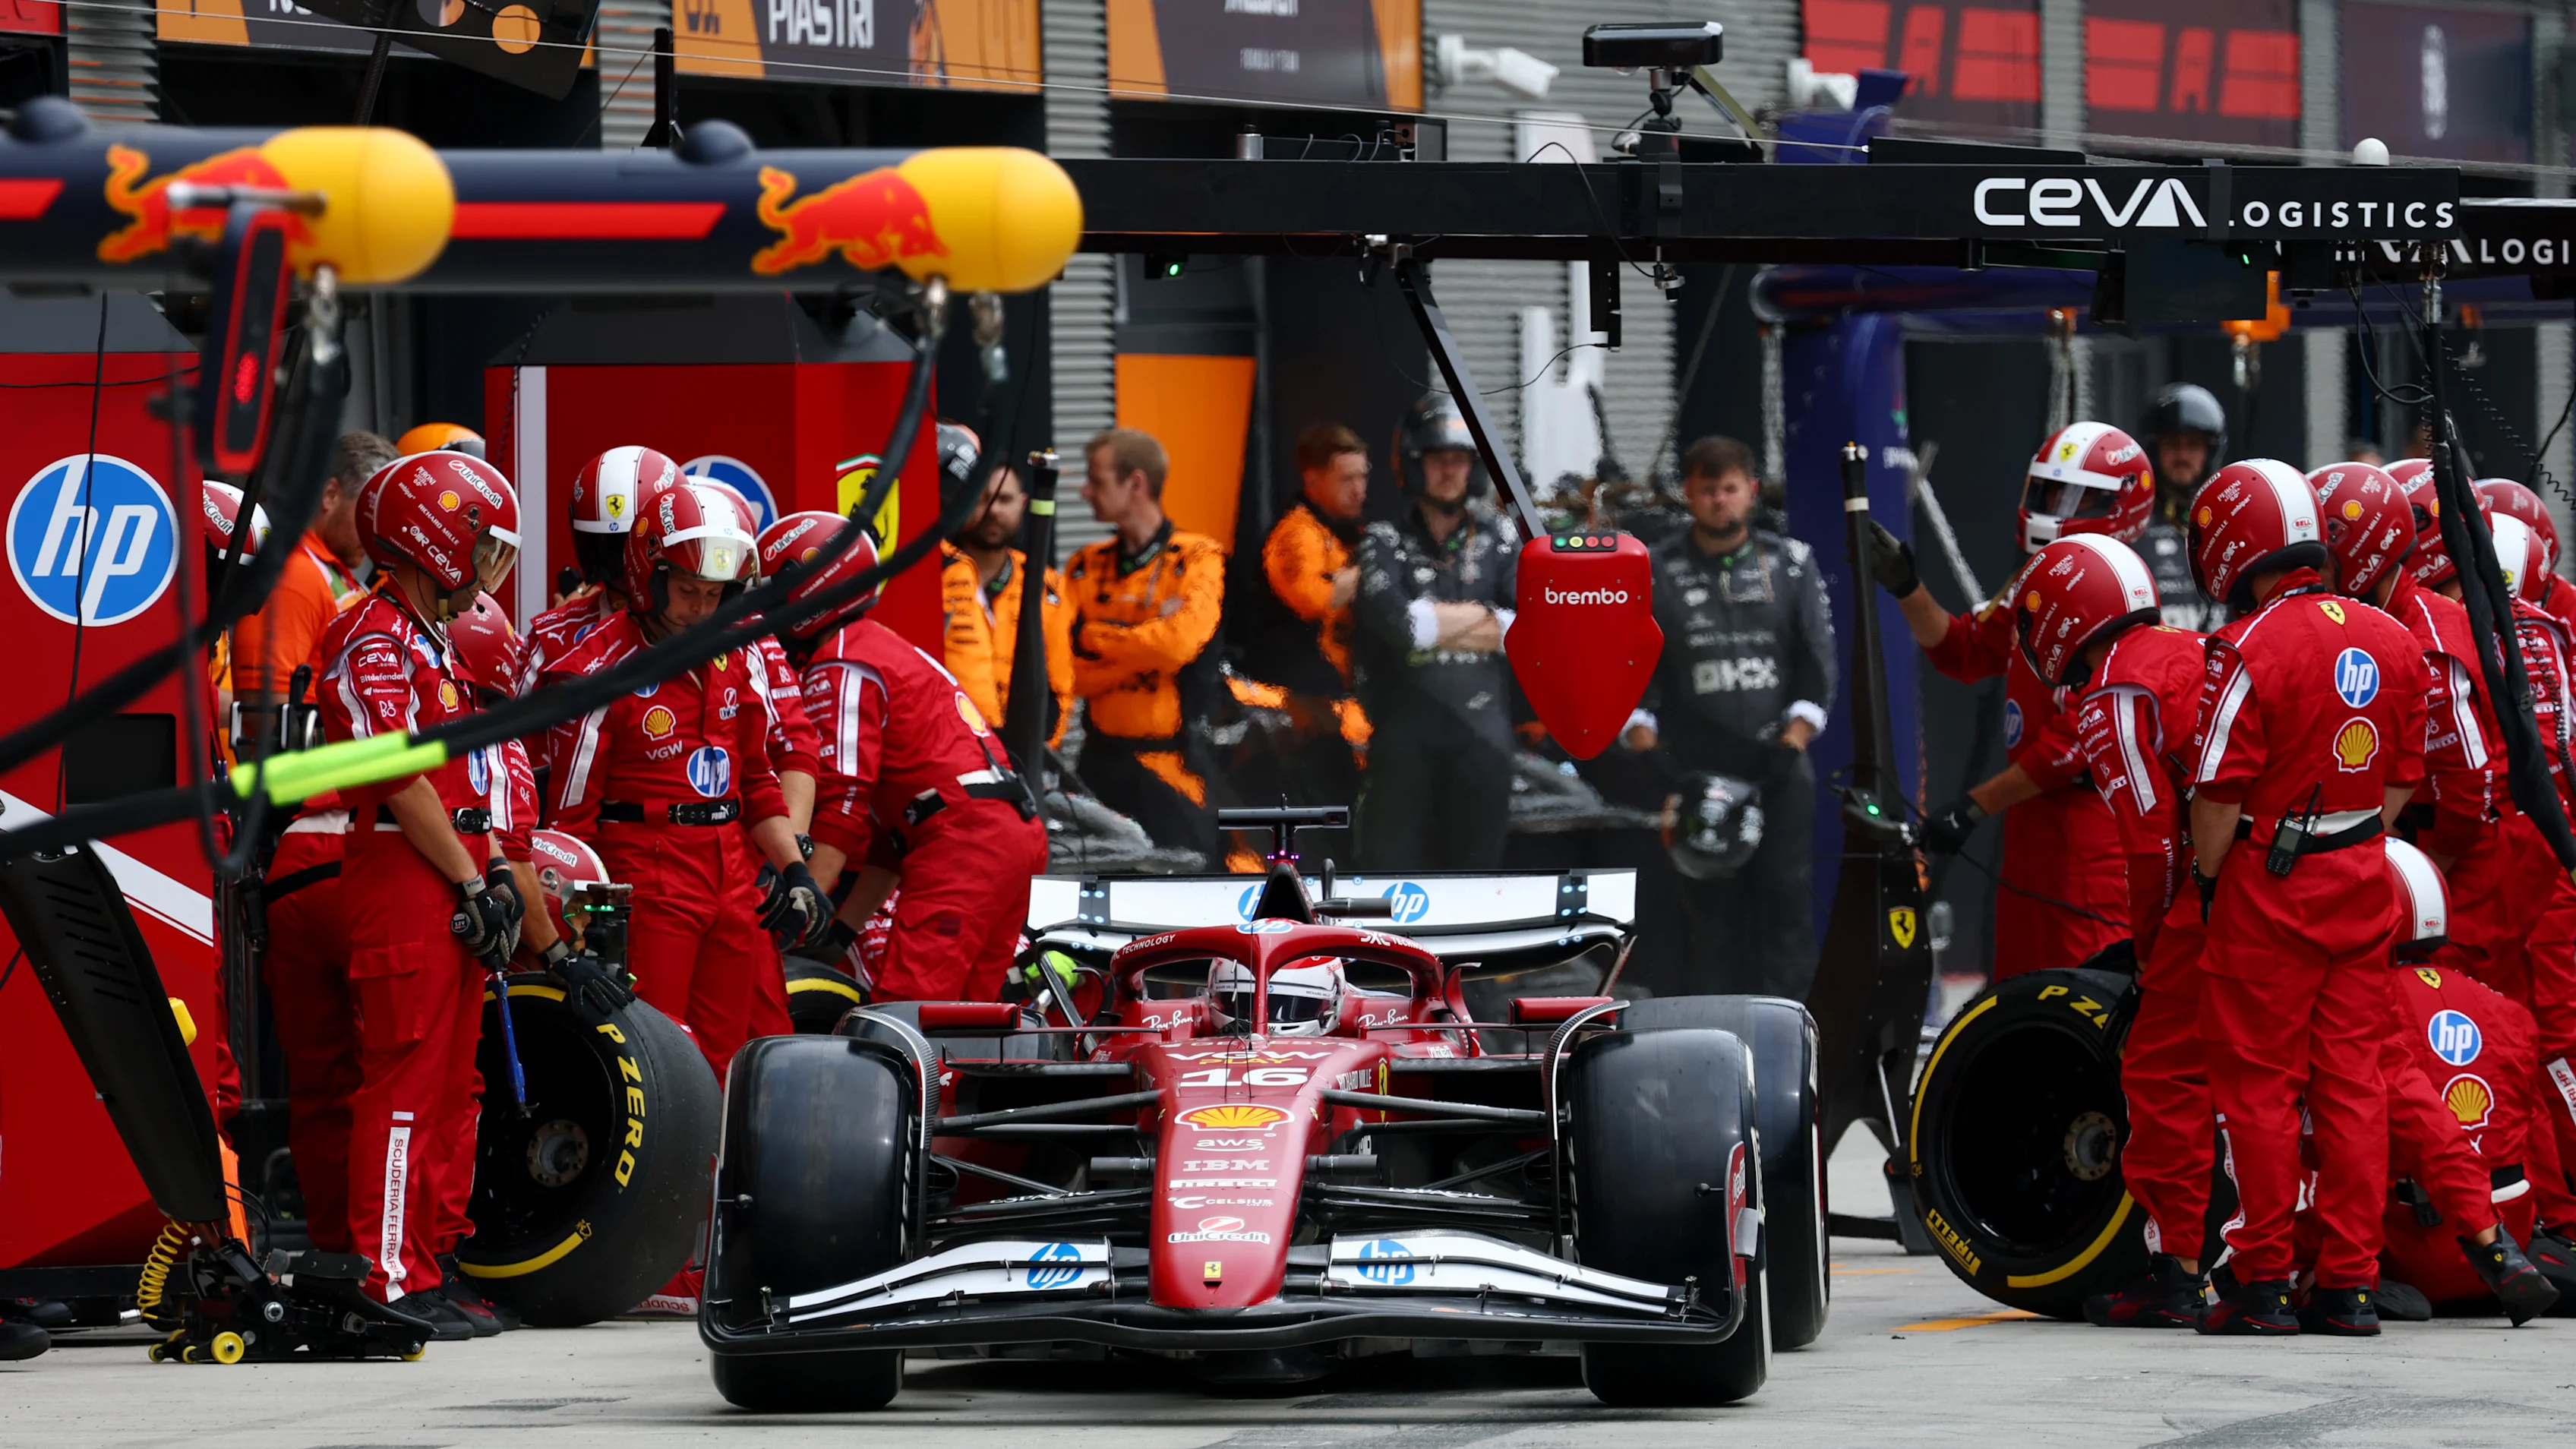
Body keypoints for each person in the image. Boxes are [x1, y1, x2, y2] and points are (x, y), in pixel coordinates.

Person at [2184, 458, 2428, 1337]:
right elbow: (2402, 779)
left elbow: (2216, 793)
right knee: (2354, 1086)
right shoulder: (2391, 636)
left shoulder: (2245, 646)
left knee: (2256, 1088)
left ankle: (2259, 1283)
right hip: (2364, 876)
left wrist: (2215, 880)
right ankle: (2348, 1287)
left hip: (2267, 885)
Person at [311, 453, 522, 1334]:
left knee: (451, 1087)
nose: (484, 564)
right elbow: (397, 776)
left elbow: (469, 776)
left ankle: (427, 1265)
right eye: (477, 542)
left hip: (452, 861)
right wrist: (474, 876)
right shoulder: (371, 635)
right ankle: (385, 1277)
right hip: (406, 868)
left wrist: (498, 874)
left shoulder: (428, 641)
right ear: (433, 538)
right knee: (403, 1080)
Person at [539, 483, 825, 1082]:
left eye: (714, 594)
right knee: (659, 1050)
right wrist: (586, 930)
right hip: (645, 873)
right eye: (689, 591)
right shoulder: (596, 674)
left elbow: (756, 778)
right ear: (650, 577)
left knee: (725, 1055)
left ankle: (713, 1178)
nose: (701, 608)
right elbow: (571, 823)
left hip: (731, 874)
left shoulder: (734, 656)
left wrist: (795, 871)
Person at [2009, 534, 2212, 1326]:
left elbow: (2150, 841)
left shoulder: (2113, 696)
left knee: (2162, 1074)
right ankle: (2322, 1266)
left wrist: (2151, 946)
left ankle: (2178, 1272)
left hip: (2216, 895)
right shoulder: (2196, 646)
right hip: (2317, 876)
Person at [1867, 421, 2148, 977]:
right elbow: (1964, 651)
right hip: (2030, 820)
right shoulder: (2037, 581)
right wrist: (1906, 587)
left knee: (2086, 987)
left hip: (2091, 825)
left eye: (2083, 496)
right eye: (2050, 490)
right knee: (2020, 981)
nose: (2059, 507)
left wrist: (1973, 807)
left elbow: (2072, 747)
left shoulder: (2123, 593)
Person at [762, 511, 1049, 1002]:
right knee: (968, 1021)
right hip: (1004, 833)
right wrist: (839, 937)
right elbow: (892, 841)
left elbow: (843, 806)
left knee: (904, 1016)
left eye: (770, 593)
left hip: (963, 841)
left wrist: (797, 905)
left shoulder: (842, 663)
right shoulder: (879, 647)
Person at [1621, 434, 1835, 999]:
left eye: (1730, 488)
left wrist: (1791, 745)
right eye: (1707, 489)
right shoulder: (1654, 568)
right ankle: (1710, 1048)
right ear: (1688, 494)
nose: (1720, 500)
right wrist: (1648, 755)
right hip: (1695, 775)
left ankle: (1793, 1041)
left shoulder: (1791, 562)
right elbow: (1632, 676)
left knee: (1786, 909)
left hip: (1777, 769)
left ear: (1751, 492)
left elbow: (1819, 669)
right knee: (1706, 921)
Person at [2365, 841, 2560, 1322]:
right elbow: (2539, 1136)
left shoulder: (2363, 1008)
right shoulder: (2508, 1010)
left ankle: (2330, 1280)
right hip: (2506, 1232)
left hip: (2416, 1240)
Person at [1348, 393, 1519, 871]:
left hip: (1482, 742)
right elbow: (1403, 628)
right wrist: (1486, 614)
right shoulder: (1383, 538)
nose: (1449, 472)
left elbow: (1522, 631)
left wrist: (1438, 619)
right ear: (1413, 465)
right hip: (1403, 741)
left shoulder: (1502, 538)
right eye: (1437, 460)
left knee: (1478, 879)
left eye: (1459, 460)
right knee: (1390, 880)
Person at [1067, 428, 1227, 857]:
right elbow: (1067, 672)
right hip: (1097, 764)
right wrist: (1147, 651)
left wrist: (1098, 636)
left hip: (1173, 765)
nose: (1085, 492)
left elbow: (1179, 645)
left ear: (1134, 483)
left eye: (1096, 481)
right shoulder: (1083, 566)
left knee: (1190, 889)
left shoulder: (1198, 556)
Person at [1239, 423, 1372, 809]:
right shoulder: (1295, 535)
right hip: (1301, 708)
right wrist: (1365, 573)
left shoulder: (1352, 532)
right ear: (1313, 480)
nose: (1358, 488)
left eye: (1363, 476)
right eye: (1346, 478)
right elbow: (1315, 600)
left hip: (1345, 696)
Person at [229, 431, 395, 737]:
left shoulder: (331, 572)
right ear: (331, 495)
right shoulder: (295, 573)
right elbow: (262, 707)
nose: (378, 530)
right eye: (370, 512)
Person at [940, 450, 1075, 758]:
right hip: (952, 752)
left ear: (1024, 504)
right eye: (984, 498)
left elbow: (1060, 686)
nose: (993, 511)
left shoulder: (1047, 585)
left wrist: (1039, 753)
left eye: (1004, 500)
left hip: (1025, 758)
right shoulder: (937, 574)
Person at [523, 445, 683, 684]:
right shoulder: (553, 635)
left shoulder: (730, 632)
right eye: (608, 548)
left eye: (636, 547)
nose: (623, 568)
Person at [2136, 384, 2227, 630]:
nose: (2183, 456)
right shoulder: (2132, 522)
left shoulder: (2230, 521)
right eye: (2173, 444)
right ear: (2155, 449)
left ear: (2210, 451)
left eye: (2194, 445)